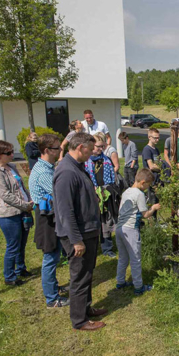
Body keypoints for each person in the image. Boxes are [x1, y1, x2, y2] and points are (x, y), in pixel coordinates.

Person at [53, 132, 107, 331]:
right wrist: (76, 240)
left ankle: (86, 308)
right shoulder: (67, 172)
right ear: (80, 147)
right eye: (91, 149)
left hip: (89, 231)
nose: (93, 152)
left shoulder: (78, 167)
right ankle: (79, 320)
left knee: (87, 273)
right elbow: (65, 211)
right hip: (78, 235)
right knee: (79, 277)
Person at [28, 134, 69, 308]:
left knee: (53, 256)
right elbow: (58, 194)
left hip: (50, 216)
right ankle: (52, 298)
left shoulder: (47, 167)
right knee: (50, 258)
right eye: (57, 148)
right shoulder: (44, 172)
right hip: (47, 219)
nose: (60, 150)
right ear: (46, 150)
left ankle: (53, 288)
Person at [0, 140, 34, 286]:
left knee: (22, 243)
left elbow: (21, 186)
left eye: (12, 151)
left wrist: (30, 200)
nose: (12, 155)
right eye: (8, 153)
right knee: (13, 245)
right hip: (9, 214)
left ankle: (20, 268)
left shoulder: (11, 167)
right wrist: (25, 205)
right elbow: (5, 194)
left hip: (23, 210)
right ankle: (9, 276)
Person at [116, 169, 160, 295]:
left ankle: (120, 282)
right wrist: (153, 208)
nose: (148, 188)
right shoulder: (139, 194)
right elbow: (145, 214)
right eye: (148, 185)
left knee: (123, 257)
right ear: (142, 182)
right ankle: (138, 286)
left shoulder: (127, 191)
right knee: (135, 259)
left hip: (119, 228)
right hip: (130, 230)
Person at [85, 134, 117, 258]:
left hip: (105, 193)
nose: (100, 149)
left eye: (103, 147)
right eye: (98, 146)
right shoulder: (86, 161)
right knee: (93, 222)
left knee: (106, 221)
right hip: (91, 194)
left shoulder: (106, 160)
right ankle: (91, 248)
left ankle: (107, 248)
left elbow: (111, 177)